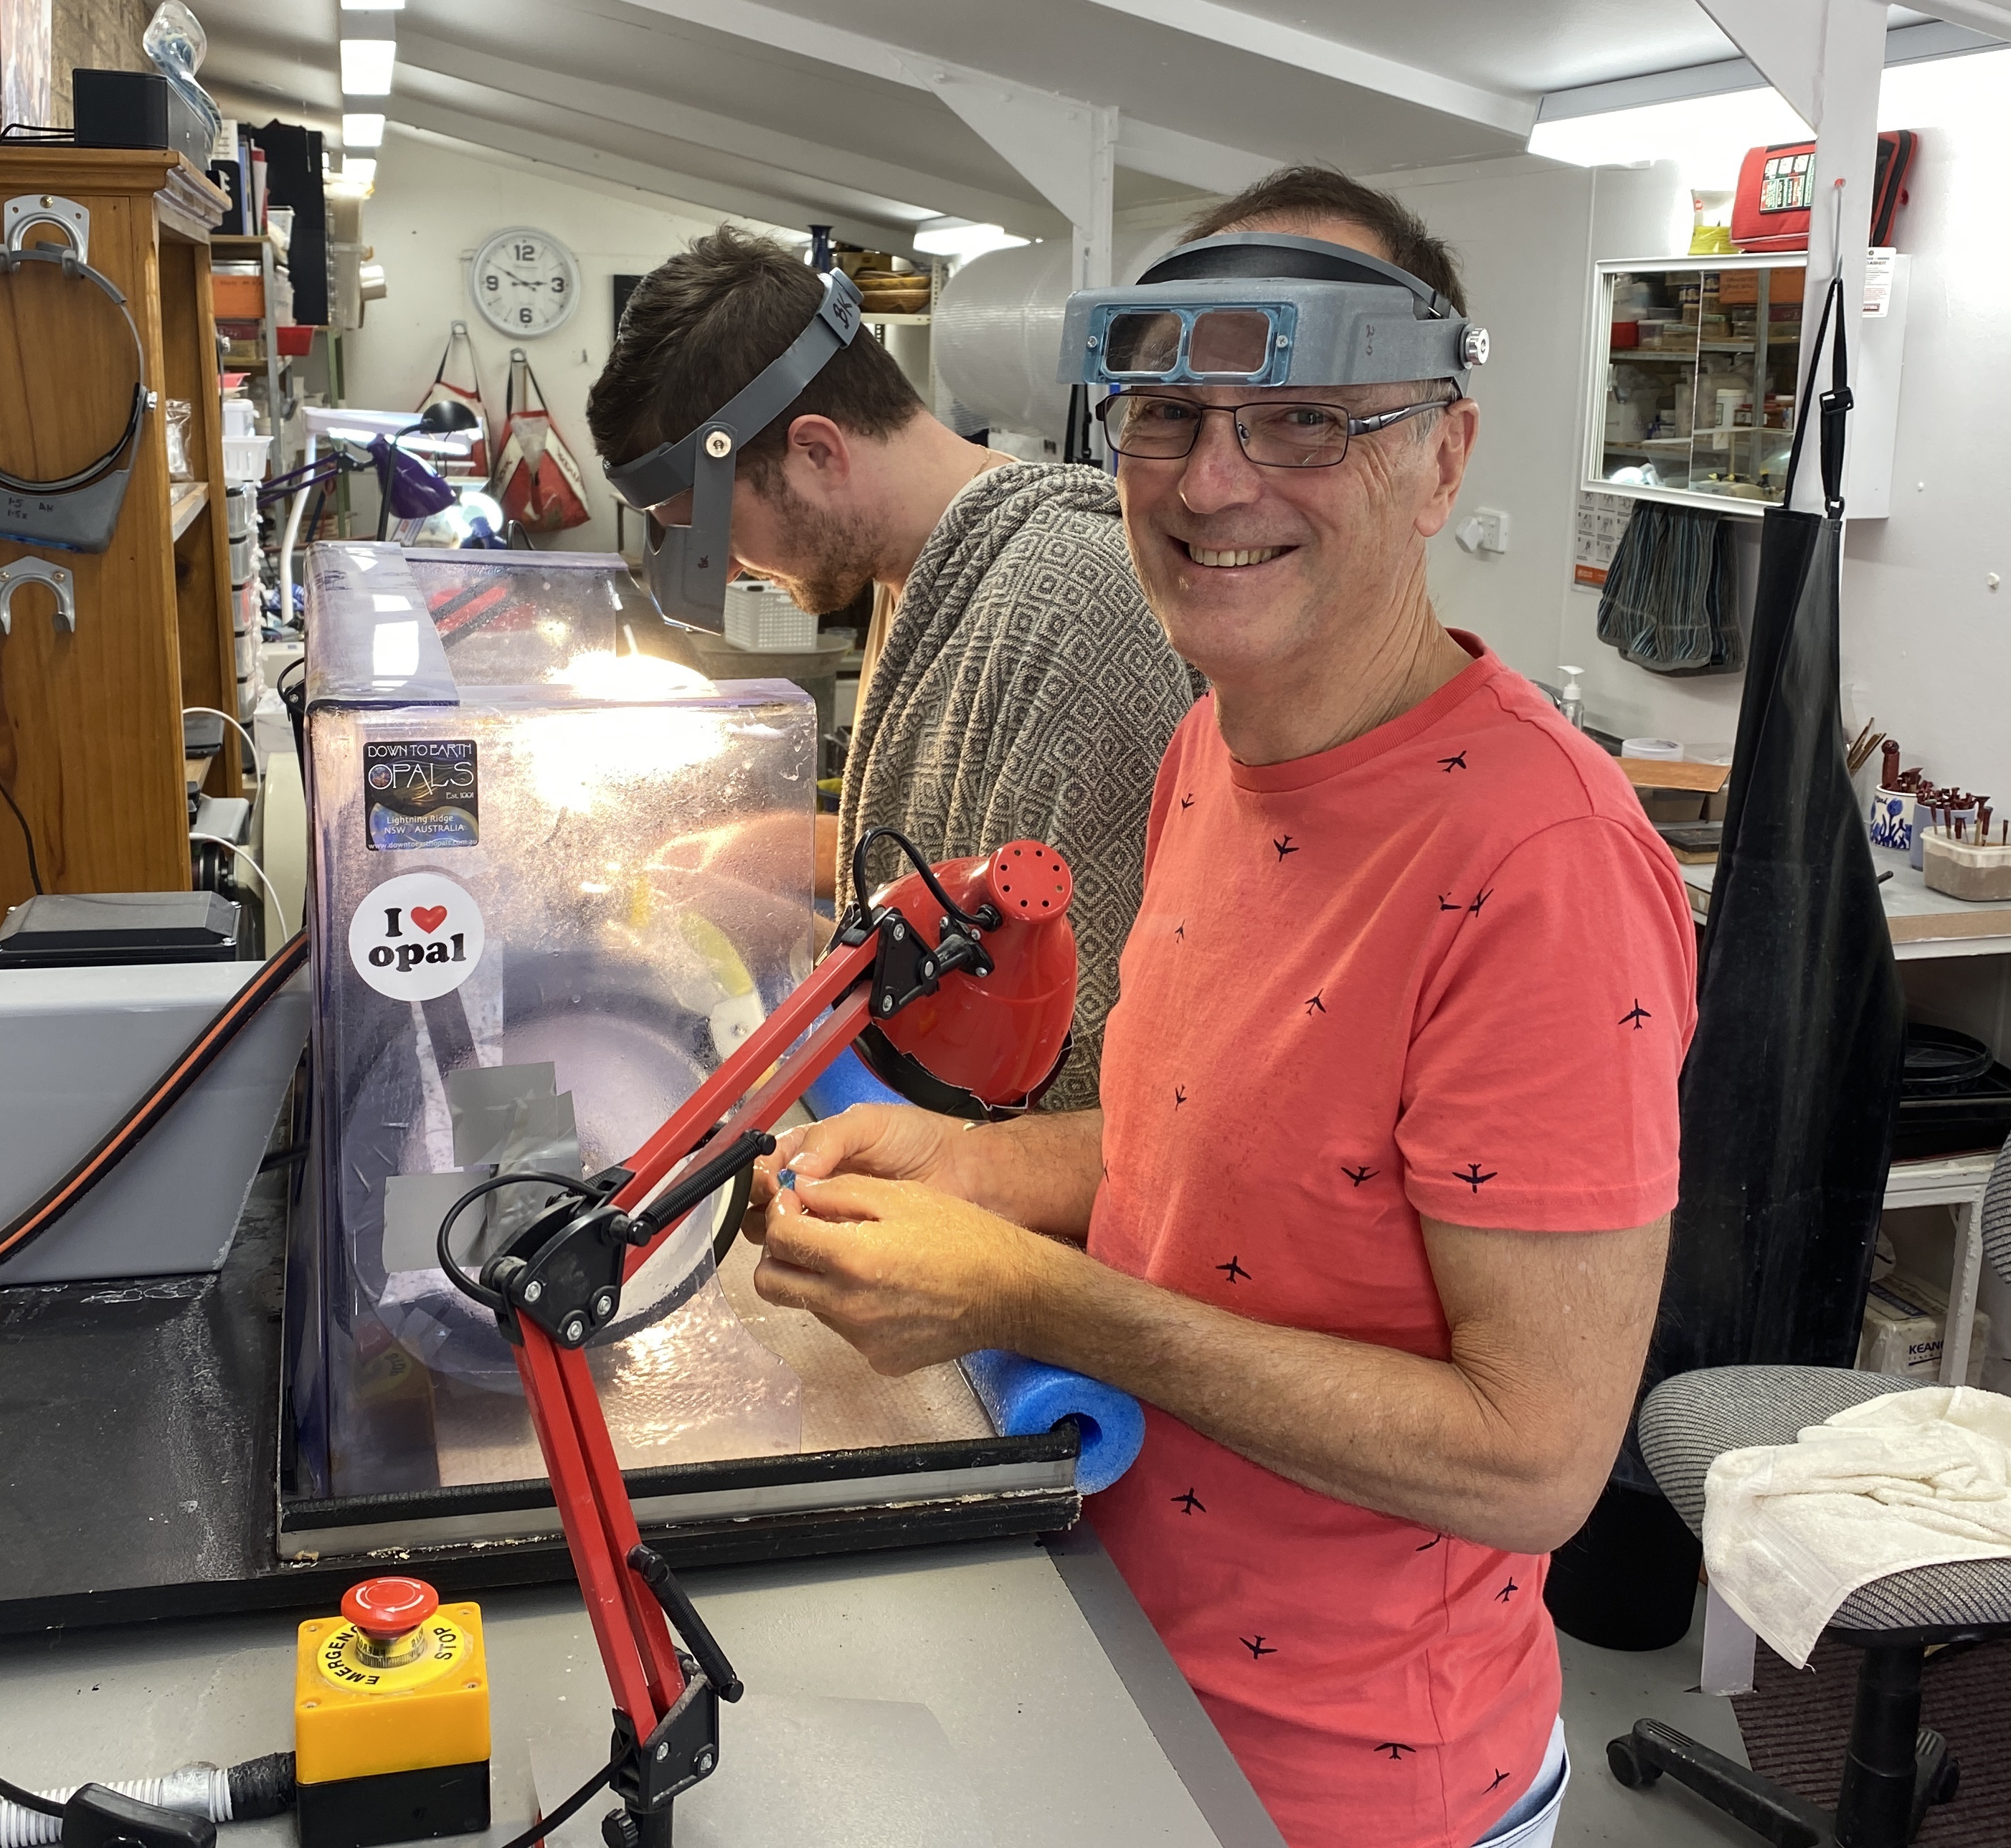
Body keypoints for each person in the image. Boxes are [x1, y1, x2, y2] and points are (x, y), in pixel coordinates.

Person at [747, 167, 1695, 1848]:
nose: (1211, 480)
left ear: (1440, 463)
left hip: (1353, 1786)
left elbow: (1535, 1460)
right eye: (1168, 414)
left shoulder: (1539, 860)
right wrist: (980, 1176)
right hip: (1120, 1651)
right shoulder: (1211, 739)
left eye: (1307, 421)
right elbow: (1214, 1150)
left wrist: (1036, 1301)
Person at [587, 227, 1195, 1113]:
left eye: (719, 530)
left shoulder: (1071, 603)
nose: (739, 567)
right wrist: (791, 850)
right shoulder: (912, 579)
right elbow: (970, 865)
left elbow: (1069, 1060)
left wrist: (803, 938)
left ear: (819, 452)